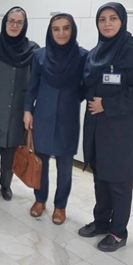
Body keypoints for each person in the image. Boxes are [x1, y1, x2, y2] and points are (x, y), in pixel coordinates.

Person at [78, 2, 133, 252]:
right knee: (100, 177)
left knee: (119, 181)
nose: (107, 24)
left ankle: (118, 232)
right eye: (102, 19)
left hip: (124, 128)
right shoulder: (95, 53)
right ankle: (101, 222)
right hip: (97, 126)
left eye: (113, 18)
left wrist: (107, 105)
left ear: (122, 21)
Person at [23, 13, 88, 224]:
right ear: (50, 32)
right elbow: (32, 86)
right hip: (43, 115)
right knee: (40, 163)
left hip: (68, 118)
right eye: (56, 29)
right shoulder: (39, 56)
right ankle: (40, 200)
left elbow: (86, 87)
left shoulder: (82, 56)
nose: (61, 33)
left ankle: (60, 206)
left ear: (72, 30)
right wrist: (27, 110)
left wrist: (71, 99)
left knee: (65, 167)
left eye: (65, 28)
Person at [0, 7, 38, 203]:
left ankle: (6, 185)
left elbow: (33, 83)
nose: (14, 25)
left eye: (19, 22)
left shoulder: (32, 51)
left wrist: (29, 109)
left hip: (18, 110)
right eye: (11, 21)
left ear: (24, 25)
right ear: (5, 22)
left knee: (11, 152)